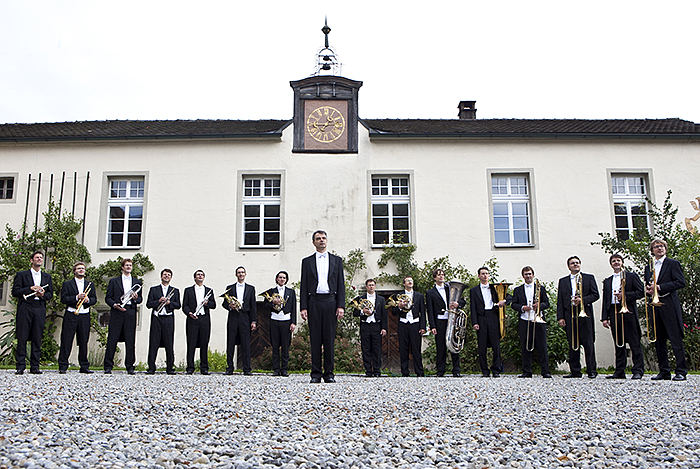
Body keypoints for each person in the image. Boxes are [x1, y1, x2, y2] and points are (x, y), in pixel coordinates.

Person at [300, 230, 345, 383]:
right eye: (318, 238)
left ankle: (329, 374)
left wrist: (340, 305)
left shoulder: (337, 261)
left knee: (329, 339)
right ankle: (315, 374)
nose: (321, 240)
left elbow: (341, 284)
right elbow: (304, 285)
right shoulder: (307, 261)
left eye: (324, 238)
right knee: (315, 339)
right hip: (314, 302)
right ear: (313, 242)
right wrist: (303, 307)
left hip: (331, 302)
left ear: (327, 240)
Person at [644, 238, 688, 381]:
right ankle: (664, 371)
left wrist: (660, 287)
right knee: (659, 339)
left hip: (669, 304)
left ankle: (681, 371)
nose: (660, 248)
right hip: (655, 306)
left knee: (675, 338)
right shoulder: (648, 267)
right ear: (652, 251)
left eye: (662, 246)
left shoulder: (673, 264)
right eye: (656, 246)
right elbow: (648, 284)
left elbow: (680, 282)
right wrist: (649, 290)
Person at [601, 254, 645, 380]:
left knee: (634, 342)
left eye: (618, 260)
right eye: (613, 261)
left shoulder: (631, 276)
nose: (616, 262)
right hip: (614, 311)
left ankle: (638, 370)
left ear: (622, 262)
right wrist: (604, 317)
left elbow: (641, 292)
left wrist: (625, 296)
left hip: (628, 311)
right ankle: (620, 371)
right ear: (611, 264)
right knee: (618, 343)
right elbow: (606, 299)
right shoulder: (608, 281)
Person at [557, 256, 599, 379]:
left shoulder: (589, 278)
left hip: (585, 314)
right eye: (572, 263)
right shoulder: (563, 281)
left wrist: (582, 300)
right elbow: (560, 300)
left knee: (588, 343)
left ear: (580, 264)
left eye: (577, 263)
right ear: (568, 266)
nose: (575, 265)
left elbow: (595, 295)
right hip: (569, 314)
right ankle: (575, 371)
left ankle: (591, 370)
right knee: (572, 343)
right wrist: (560, 317)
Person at [12, 251, 53, 375]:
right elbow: (15, 291)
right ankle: (20, 366)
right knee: (22, 336)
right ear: (31, 260)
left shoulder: (47, 277)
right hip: (25, 307)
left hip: (39, 307)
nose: (39, 259)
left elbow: (50, 294)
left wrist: (42, 295)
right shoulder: (22, 275)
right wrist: (30, 289)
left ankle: (35, 366)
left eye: (41, 257)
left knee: (37, 337)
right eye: (37, 257)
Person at [511, 266, 552, 378]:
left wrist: (539, 305)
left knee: (542, 346)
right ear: (523, 276)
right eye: (526, 274)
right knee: (525, 346)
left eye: (530, 274)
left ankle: (545, 371)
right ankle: (527, 371)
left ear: (533, 275)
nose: (528, 276)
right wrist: (522, 308)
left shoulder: (540, 288)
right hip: (525, 319)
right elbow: (514, 304)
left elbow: (547, 303)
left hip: (538, 319)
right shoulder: (518, 290)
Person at [470, 267, 511, 377]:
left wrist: (504, 301)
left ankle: (496, 370)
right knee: (482, 346)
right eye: (482, 273)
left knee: (495, 345)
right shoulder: (474, 290)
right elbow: (472, 307)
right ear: (479, 276)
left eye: (487, 273)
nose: (485, 275)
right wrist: (475, 322)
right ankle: (485, 371)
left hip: (493, 316)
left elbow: (510, 297)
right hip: (481, 318)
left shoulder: (495, 288)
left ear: (489, 275)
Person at [104, 258, 143, 375]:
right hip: (117, 312)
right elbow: (108, 298)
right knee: (112, 339)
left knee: (130, 340)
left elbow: (140, 299)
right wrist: (114, 305)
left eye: (130, 265)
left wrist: (136, 298)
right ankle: (108, 366)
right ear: (122, 267)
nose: (128, 267)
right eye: (126, 265)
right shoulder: (114, 281)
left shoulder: (137, 282)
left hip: (130, 312)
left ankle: (130, 366)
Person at [58, 261, 97, 374]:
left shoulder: (90, 285)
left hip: (85, 315)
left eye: (83, 268)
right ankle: (63, 366)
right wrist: (76, 297)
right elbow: (63, 299)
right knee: (66, 340)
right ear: (74, 271)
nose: (81, 270)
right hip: (71, 314)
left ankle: (84, 366)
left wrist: (88, 300)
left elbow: (94, 299)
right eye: (79, 268)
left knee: (84, 340)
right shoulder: (67, 284)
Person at [425, 269, 464, 377]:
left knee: (454, 345)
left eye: (442, 275)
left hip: (452, 319)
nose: (441, 276)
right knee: (440, 346)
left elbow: (462, 301)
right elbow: (430, 310)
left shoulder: (450, 289)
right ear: (434, 278)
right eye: (438, 275)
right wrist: (432, 326)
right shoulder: (430, 293)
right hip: (439, 321)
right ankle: (441, 370)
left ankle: (456, 370)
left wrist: (457, 304)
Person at [145, 268, 181, 375]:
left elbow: (178, 305)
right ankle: (151, 368)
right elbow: (148, 304)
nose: (166, 276)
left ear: (171, 277)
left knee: (169, 343)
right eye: (165, 274)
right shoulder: (154, 289)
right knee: (153, 342)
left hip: (168, 318)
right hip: (157, 318)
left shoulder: (175, 291)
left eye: (168, 275)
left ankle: (170, 368)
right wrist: (158, 301)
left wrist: (169, 303)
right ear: (161, 277)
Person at [261, 271, 297, 377]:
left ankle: (284, 369)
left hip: (286, 320)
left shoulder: (291, 292)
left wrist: (293, 322)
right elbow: (264, 306)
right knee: (275, 346)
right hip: (274, 320)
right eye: (280, 277)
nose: (282, 279)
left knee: (285, 346)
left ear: (286, 280)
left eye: (284, 278)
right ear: (277, 279)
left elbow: (294, 307)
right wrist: (273, 303)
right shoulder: (271, 291)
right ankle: (276, 369)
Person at [223, 266, 257, 375]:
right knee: (230, 343)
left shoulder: (251, 288)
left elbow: (253, 306)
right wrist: (229, 306)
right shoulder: (230, 288)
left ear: (245, 274)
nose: (241, 274)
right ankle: (230, 368)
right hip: (233, 317)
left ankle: (247, 369)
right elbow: (224, 303)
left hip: (245, 317)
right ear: (236, 275)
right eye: (239, 272)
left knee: (245, 343)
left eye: (242, 272)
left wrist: (254, 321)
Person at [182, 270, 216, 375]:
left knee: (204, 343)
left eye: (202, 275)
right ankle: (190, 367)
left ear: (204, 277)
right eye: (198, 275)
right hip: (192, 319)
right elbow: (184, 306)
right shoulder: (188, 290)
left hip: (204, 319)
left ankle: (204, 368)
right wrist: (189, 313)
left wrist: (207, 303)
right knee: (191, 343)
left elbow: (214, 305)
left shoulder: (209, 290)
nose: (200, 276)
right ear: (195, 278)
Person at [391, 276, 426, 377]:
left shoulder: (419, 296)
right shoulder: (398, 296)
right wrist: (399, 307)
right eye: (408, 281)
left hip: (415, 324)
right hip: (403, 324)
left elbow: (423, 312)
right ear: (404, 284)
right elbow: (393, 312)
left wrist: (423, 327)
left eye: (411, 281)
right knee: (403, 349)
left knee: (416, 349)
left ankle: (419, 372)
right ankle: (405, 372)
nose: (410, 282)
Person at [352, 278, 387, 377]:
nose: (371, 287)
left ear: (375, 286)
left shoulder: (381, 299)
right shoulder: (361, 299)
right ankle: (368, 371)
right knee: (366, 349)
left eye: (372, 285)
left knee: (377, 349)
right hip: (365, 326)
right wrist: (362, 311)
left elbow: (384, 315)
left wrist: (384, 328)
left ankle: (377, 371)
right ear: (366, 287)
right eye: (369, 285)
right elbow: (355, 313)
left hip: (376, 326)